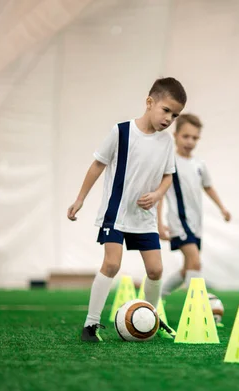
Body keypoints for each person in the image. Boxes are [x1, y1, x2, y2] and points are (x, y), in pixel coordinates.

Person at [67, 77, 186, 342]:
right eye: (166, 110)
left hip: (143, 218)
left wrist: (156, 194)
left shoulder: (167, 142)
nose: (169, 118)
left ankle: (151, 317)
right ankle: (91, 324)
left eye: (175, 115)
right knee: (111, 264)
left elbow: (168, 176)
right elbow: (98, 164)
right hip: (116, 214)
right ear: (149, 102)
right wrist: (80, 199)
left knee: (156, 270)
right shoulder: (120, 132)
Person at [157, 114, 231, 297]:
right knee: (196, 263)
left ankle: (157, 297)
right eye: (186, 136)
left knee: (188, 268)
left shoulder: (199, 164)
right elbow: (160, 194)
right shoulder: (170, 162)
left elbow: (208, 186)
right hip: (179, 222)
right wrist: (158, 223)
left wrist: (222, 208)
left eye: (195, 138)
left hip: (196, 224)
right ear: (175, 135)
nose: (190, 141)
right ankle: (197, 308)